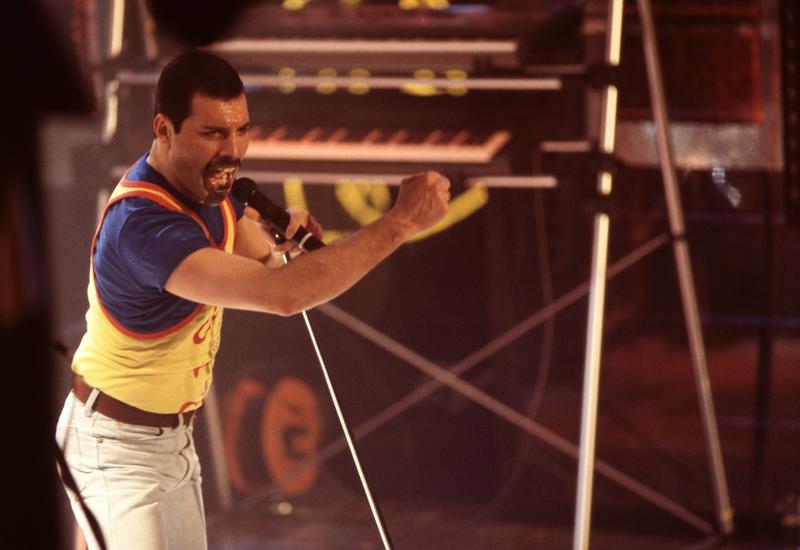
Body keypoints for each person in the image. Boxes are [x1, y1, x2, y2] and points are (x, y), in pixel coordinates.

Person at [55, 49, 450, 550]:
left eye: (242, 130)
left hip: (169, 442)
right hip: (118, 448)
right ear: (164, 129)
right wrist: (400, 224)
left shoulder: (206, 194)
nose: (233, 149)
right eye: (213, 133)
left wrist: (280, 246)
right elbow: (283, 296)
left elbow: (258, 258)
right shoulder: (144, 227)